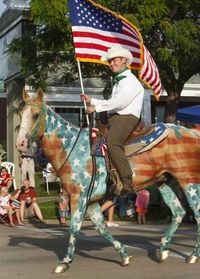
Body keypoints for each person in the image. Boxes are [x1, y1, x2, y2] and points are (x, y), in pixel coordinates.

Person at [80, 47, 144, 195]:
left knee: (113, 142)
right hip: (116, 117)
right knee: (99, 141)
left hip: (127, 117)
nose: (112, 63)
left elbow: (119, 103)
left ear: (123, 61)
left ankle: (127, 179)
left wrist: (95, 107)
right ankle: (109, 176)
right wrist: (92, 100)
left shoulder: (129, 81)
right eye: (110, 61)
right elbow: (113, 101)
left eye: (114, 60)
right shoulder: (119, 81)